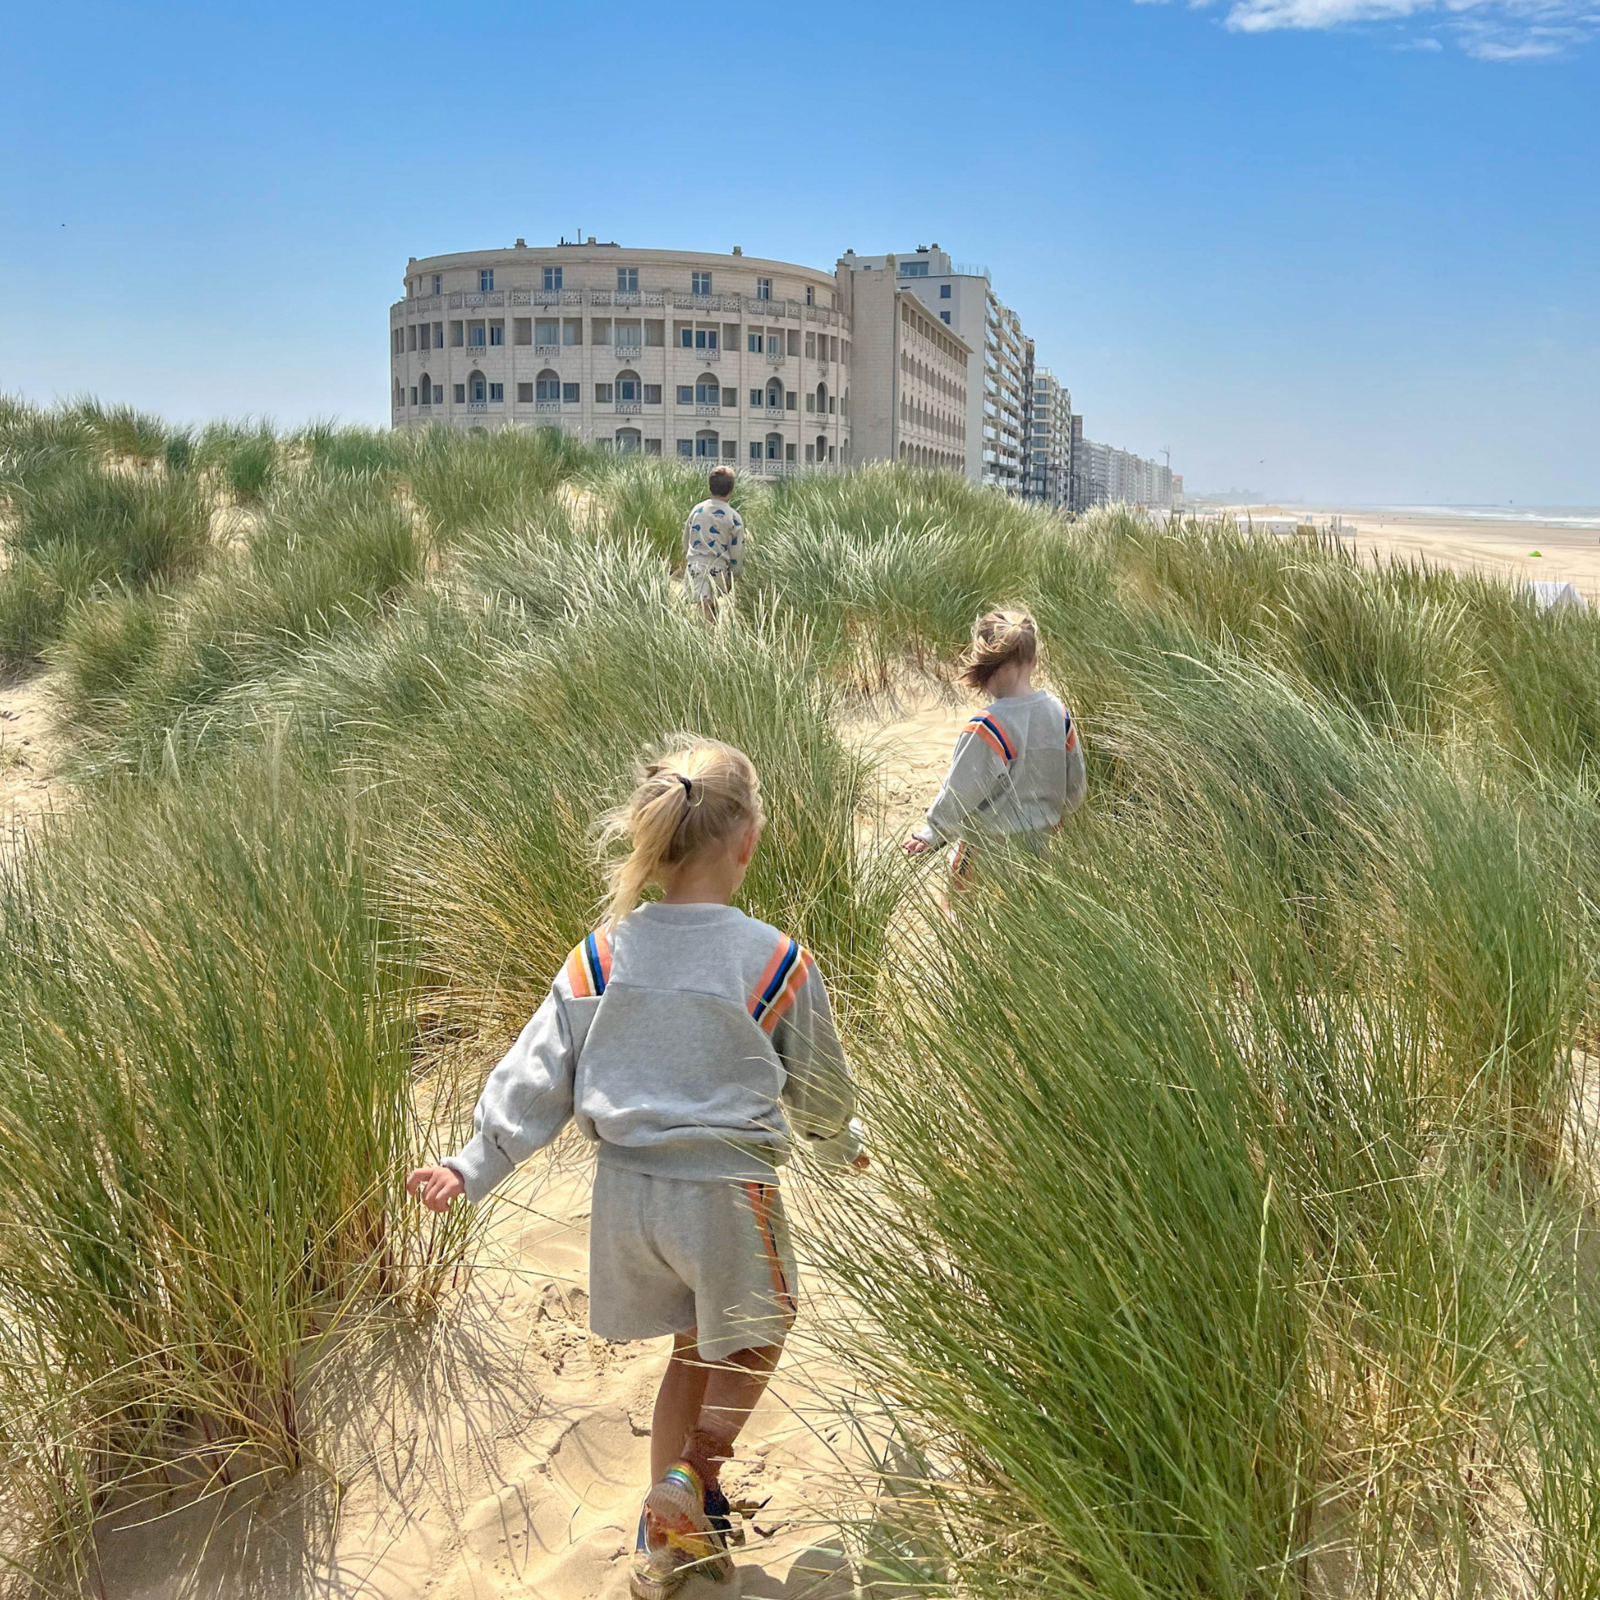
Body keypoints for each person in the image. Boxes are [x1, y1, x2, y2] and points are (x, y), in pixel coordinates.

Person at [407, 739, 865, 1600]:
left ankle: (673, 1539)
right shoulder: (773, 959)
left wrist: (471, 1164)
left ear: (659, 845)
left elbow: (537, 1073)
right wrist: (844, 1146)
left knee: (694, 1350)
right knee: (765, 1327)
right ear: (748, 842)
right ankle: (693, 1476)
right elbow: (819, 1088)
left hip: (626, 1201)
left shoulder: (602, 954)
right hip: (727, 1193)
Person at [903, 608, 1087, 884]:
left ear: (985, 665)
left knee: (957, 900)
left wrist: (934, 832)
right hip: (1038, 839)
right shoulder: (1057, 712)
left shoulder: (988, 726)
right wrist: (1064, 810)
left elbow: (961, 790)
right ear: (1035, 660)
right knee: (1025, 907)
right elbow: (1075, 777)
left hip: (988, 844)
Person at [683, 466, 744, 619]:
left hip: (695, 566)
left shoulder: (697, 510)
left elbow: (686, 540)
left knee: (703, 606)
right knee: (709, 607)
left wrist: (689, 558)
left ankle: (702, 636)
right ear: (732, 489)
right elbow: (737, 552)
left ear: (709, 487)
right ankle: (707, 638)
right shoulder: (734, 518)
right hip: (718, 569)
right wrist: (734, 575)